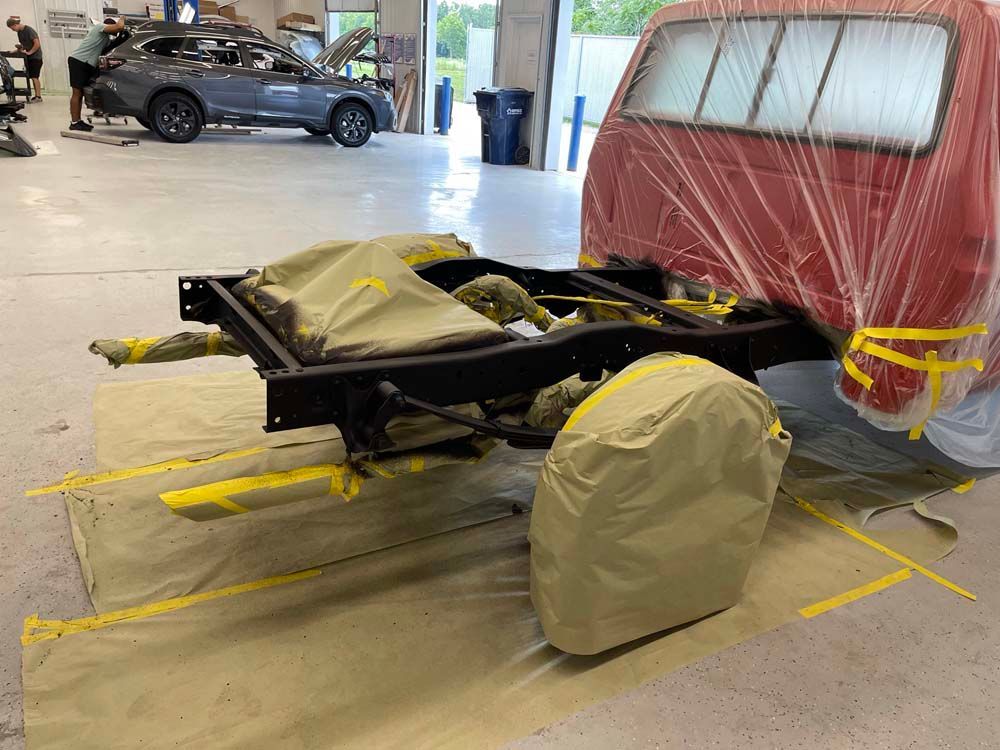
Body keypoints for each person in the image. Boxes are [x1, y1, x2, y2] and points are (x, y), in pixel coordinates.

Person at [67, 16, 124, 132]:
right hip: (79, 61)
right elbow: (119, 26)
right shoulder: (99, 27)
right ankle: (74, 122)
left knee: (81, 93)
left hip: (86, 64)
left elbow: (111, 46)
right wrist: (122, 18)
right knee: (77, 93)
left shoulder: (105, 39)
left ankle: (77, 121)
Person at [4, 18, 43, 102]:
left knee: (34, 77)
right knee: (31, 76)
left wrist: (30, 52)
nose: (13, 30)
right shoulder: (19, 32)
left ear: (15, 25)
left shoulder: (29, 30)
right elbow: (23, 45)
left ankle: (38, 96)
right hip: (28, 57)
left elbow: (37, 44)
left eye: (12, 28)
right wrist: (16, 50)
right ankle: (36, 96)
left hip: (36, 57)